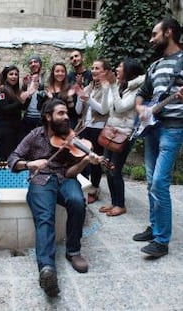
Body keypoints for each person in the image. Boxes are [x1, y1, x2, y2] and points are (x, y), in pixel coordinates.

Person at [8, 98, 101, 297]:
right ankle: (47, 269)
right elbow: (12, 159)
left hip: (64, 179)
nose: (66, 117)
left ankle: (73, 251)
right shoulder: (35, 135)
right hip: (41, 180)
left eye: (67, 113)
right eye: (61, 113)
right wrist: (30, 164)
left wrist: (85, 161)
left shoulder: (71, 138)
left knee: (77, 201)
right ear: (48, 117)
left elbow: (69, 173)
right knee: (45, 217)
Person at [133, 17, 183, 258]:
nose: (151, 39)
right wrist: (141, 108)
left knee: (159, 183)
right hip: (151, 128)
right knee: (151, 180)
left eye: (155, 34)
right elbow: (141, 95)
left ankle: (162, 241)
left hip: (173, 127)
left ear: (169, 32)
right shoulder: (154, 66)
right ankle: (154, 228)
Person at [98, 58, 145, 217]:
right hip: (112, 131)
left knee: (115, 169)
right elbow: (107, 108)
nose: (116, 68)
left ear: (129, 71)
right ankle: (113, 202)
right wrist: (108, 87)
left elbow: (120, 107)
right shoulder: (120, 85)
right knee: (107, 166)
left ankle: (120, 204)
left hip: (124, 135)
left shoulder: (137, 89)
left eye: (120, 66)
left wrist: (111, 85)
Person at [75, 58, 112, 204]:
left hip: (99, 128)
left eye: (97, 68)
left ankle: (94, 188)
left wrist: (88, 99)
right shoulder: (88, 87)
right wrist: (80, 95)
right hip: (85, 127)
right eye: (93, 68)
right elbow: (79, 110)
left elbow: (104, 109)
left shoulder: (108, 88)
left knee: (95, 161)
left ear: (106, 71)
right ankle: (84, 186)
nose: (94, 71)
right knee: (82, 158)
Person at [0, 65, 36, 160]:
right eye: (11, 74)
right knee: (4, 157)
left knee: (17, 156)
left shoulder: (16, 90)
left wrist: (27, 94)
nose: (14, 76)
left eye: (16, 74)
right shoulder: (1, 89)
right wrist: (21, 99)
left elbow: (23, 107)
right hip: (5, 129)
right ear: (5, 76)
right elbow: (4, 108)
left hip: (17, 128)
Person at [41, 62, 75, 127]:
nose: (60, 73)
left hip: (65, 124)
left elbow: (73, 112)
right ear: (53, 73)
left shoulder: (69, 88)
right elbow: (42, 109)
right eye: (57, 71)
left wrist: (69, 98)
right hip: (51, 125)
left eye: (62, 71)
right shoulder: (47, 88)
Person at [21, 54, 45, 136]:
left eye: (35, 62)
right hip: (28, 118)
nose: (33, 64)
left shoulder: (46, 79)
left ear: (40, 64)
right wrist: (25, 86)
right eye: (31, 63)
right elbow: (23, 100)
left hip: (41, 118)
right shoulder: (27, 80)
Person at [68, 50, 93, 128]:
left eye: (76, 56)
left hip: (87, 116)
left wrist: (81, 87)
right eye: (71, 58)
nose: (74, 59)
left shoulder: (91, 75)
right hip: (72, 117)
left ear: (82, 58)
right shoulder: (69, 76)